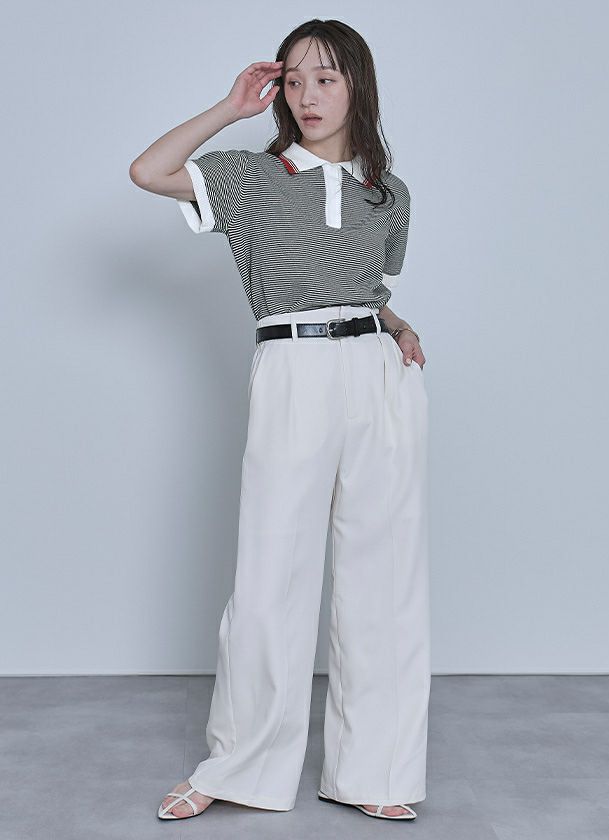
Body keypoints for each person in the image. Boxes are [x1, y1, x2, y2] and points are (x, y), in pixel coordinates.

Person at [130, 18, 430, 823]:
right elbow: (148, 171)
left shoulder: (389, 194)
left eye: (326, 78)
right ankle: (240, 767)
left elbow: (363, 284)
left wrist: (398, 324)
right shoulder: (250, 177)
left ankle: (376, 772)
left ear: (358, 86)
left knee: (384, 576)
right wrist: (229, 109)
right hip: (292, 370)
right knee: (271, 575)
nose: (307, 95)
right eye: (293, 80)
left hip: (378, 375)